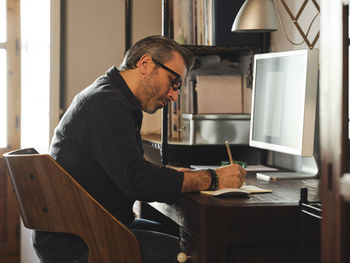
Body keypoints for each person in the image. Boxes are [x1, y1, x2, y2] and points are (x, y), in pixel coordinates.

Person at [32, 35, 246, 263]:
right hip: (82, 243)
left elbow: (129, 170)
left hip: (83, 232)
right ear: (145, 64)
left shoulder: (111, 97)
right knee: (204, 253)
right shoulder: (106, 105)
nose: (174, 95)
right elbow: (137, 182)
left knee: (185, 237)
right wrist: (212, 178)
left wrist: (177, 176)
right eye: (173, 81)